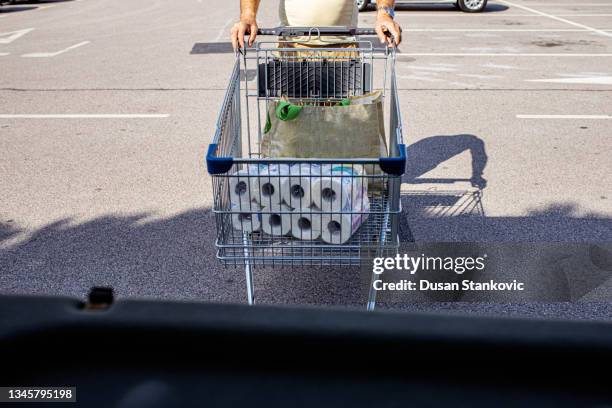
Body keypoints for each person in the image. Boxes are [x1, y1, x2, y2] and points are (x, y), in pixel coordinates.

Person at [231, 0, 402, 50]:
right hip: (293, 48)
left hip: (341, 50)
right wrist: (247, 16)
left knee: (340, 124)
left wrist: (384, 14)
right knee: (292, 125)